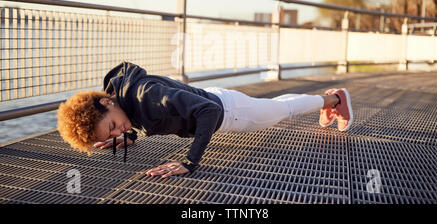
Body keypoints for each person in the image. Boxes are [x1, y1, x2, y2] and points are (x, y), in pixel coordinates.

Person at [57, 61, 353, 178]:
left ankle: (335, 99)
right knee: (276, 107)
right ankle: (329, 100)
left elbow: (207, 113)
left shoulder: (148, 94)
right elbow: (142, 119)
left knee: (281, 111)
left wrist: (189, 162)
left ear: (107, 102)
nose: (117, 132)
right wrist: (129, 135)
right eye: (110, 135)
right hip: (212, 99)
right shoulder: (127, 99)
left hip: (230, 111)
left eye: (112, 126)